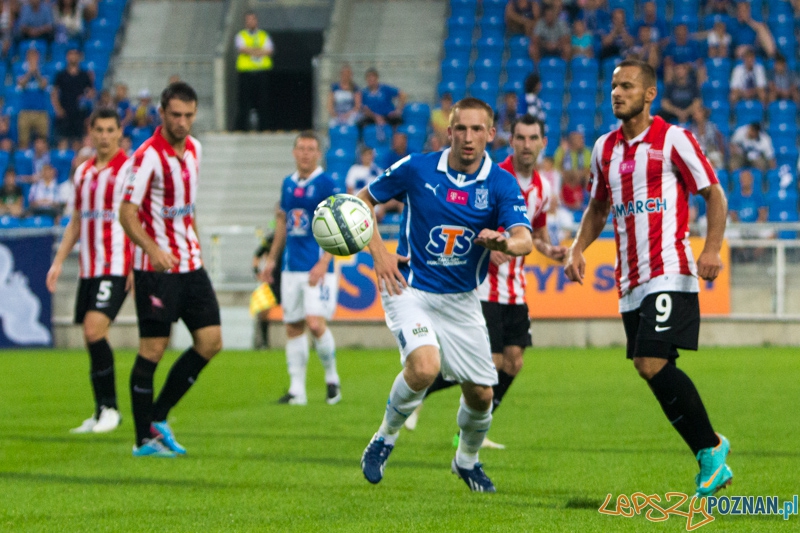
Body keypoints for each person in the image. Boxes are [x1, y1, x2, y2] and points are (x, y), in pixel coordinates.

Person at [565, 59, 733, 498]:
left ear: (649, 94)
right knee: (650, 369)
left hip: (669, 271)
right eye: (614, 86)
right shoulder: (604, 149)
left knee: (650, 361)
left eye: (627, 86)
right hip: (630, 281)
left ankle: (711, 451)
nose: (617, 92)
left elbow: (713, 192)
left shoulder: (674, 139)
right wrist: (577, 247)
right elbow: (598, 208)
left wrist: (711, 248)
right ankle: (709, 449)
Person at [357, 97, 533, 493]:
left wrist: (504, 242)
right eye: (461, 129)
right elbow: (360, 202)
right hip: (410, 288)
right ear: (449, 131)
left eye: (477, 130)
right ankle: (384, 437)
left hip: (462, 301)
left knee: (482, 394)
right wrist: (380, 253)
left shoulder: (501, 183)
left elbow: (525, 238)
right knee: (424, 368)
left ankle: (466, 461)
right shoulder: (417, 168)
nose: (468, 138)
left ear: (491, 134)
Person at [403, 115, 567, 449]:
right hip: (482, 287)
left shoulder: (543, 187)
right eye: (520, 137)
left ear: (542, 143)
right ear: (511, 141)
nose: (526, 144)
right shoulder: (492, 177)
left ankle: (475, 427)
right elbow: (460, 220)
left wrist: (550, 250)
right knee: (488, 364)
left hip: (514, 289)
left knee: (514, 362)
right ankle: (421, 393)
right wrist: (487, 248)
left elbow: (534, 233)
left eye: (533, 138)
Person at [119, 82, 223, 458]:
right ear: (161, 113)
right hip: (156, 269)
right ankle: (142, 440)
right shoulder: (146, 157)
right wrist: (153, 249)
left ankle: (158, 417)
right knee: (153, 348)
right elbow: (126, 214)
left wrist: (193, 242)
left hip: (190, 264)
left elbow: (187, 207)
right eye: (176, 115)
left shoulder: (195, 150)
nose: (182, 123)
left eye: (189, 116)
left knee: (211, 341)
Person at [46, 108, 130, 434]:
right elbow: (77, 222)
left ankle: (111, 409)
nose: (105, 136)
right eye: (100, 130)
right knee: (90, 336)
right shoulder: (82, 173)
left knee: (95, 330)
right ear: (91, 133)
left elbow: (140, 219)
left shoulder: (130, 171)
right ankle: (100, 411)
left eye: (111, 130)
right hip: (90, 267)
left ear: (120, 132)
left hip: (118, 264)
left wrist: (139, 264)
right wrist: (57, 262)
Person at [260, 131, 342, 406]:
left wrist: (324, 262)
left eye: (311, 149)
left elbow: (337, 226)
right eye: (301, 148)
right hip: (291, 267)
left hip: (317, 268)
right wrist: (272, 259)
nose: (306, 153)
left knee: (315, 323)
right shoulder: (287, 184)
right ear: (294, 152)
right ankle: (297, 391)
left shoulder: (327, 184)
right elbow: (282, 224)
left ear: (318, 154)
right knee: (293, 326)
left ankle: (332, 379)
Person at [234, 11, 273, 131]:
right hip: (246, 74)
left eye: (253, 19)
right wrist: (259, 51)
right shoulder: (241, 35)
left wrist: (251, 51)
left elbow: (269, 50)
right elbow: (242, 49)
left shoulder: (263, 35)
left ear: (256, 21)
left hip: (261, 73)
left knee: (263, 103)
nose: (251, 22)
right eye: (248, 20)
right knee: (244, 103)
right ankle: (242, 129)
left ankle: (264, 129)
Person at [51, 47, 95, 148]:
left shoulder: (84, 75)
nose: (73, 57)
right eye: (71, 54)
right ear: (67, 57)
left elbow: (91, 94)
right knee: (63, 140)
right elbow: (54, 93)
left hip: (79, 113)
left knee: (77, 141)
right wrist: (58, 109)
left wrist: (90, 90)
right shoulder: (61, 75)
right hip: (64, 112)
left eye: (75, 55)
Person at [16, 46, 51, 149]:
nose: (33, 58)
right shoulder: (20, 68)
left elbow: (44, 85)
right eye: (30, 56)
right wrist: (29, 72)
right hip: (25, 110)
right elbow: (21, 84)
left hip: (41, 111)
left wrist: (36, 72)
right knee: (23, 142)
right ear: (27, 57)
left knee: (43, 140)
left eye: (35, 56)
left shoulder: (44, 68)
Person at [251, 229, 281, 349]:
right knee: (264, 311)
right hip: (272, 280)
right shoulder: (270, 239)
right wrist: (257, 272)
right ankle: (264, 342)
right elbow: (257, 256)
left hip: (289, 279)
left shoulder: (294, 237)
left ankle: (312, 342)